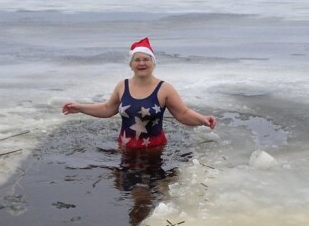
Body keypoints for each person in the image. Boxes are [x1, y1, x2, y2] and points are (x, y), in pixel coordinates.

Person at [62, 37, 216, 150]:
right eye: (137, 60)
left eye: (146, 59)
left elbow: (183, 113)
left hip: (154, 150)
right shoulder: (123, 86)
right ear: (131, 64)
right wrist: (80, 108)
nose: (141, 63)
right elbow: (107, 109)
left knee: (150, 193)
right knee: (125, 190)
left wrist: (202, 119)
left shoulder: (164, 89)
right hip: (125, 148)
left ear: (153, 63)